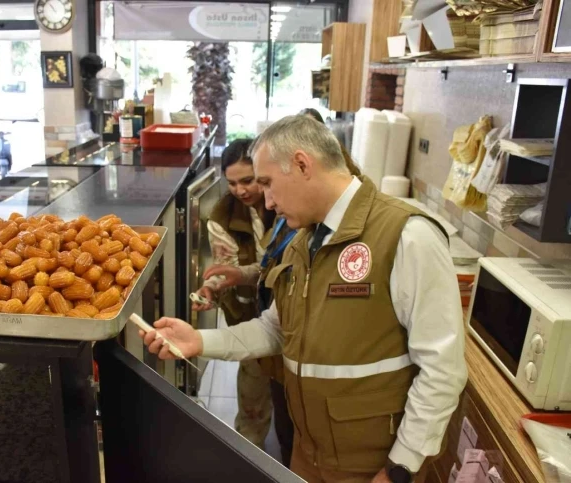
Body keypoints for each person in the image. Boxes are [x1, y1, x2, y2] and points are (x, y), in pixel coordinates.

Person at [141, 115, 467, 483]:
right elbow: (275, 331)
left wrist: (401, 468)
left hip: (373, 466)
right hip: (307, 453)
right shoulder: (303, 241)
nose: (267, 200)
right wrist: (199, 340)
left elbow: (443, 370)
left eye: (267, 183)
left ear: (301, 164)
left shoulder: (408, 235)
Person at [193, 138, 277, 452]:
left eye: (248, 181)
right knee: (253, 389)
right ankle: (250, 453)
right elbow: (225, 265)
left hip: (293, 305)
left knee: (290, 391)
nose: (241, 191)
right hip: (250, 311)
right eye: (232, 183)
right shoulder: (222, 215)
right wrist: (210, 289)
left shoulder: (286, 200)